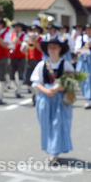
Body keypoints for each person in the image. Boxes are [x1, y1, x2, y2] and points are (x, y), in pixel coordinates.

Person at [30, 37, 74, 165]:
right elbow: (36, 82)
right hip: (45, 98)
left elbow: (72, 82)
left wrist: (61, 87)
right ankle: (51, 148)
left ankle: (54, 152)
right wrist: (46, 91)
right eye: (50, 47)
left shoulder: (65, 64)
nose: (52, 50)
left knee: (58, 124)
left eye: (55, 47)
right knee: (46, 124)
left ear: (60, 49)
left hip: (60, 99)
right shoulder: (42, 64)